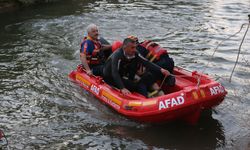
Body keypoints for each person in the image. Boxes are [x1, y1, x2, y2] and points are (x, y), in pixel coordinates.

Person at [103, 38, 170, 97]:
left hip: (122, 73)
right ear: (124, 47)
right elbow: (115, 72)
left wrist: (161, 70)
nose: (135, 50)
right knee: (135, 85)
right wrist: (122, 88)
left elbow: (146, 62)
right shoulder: (117, 56)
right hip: (110, 77)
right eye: (132, 48)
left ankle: (149, 92)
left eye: (135, 47)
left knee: (145, 75)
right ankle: (144, 97)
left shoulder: (135, 53)